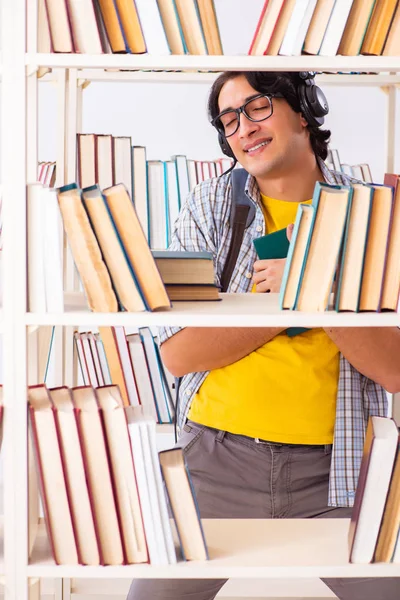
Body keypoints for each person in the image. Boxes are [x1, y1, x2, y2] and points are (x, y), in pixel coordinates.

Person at [127, 71, 400, 600]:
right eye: (228, 120)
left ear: (302, 110)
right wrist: (295, 294)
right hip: (215, 463)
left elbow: (393, 368)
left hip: (341, 470)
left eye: (256, 107)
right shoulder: (210, 206)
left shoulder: (374, 215)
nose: (243, 129)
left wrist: (322, 288)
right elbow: (177, 353)